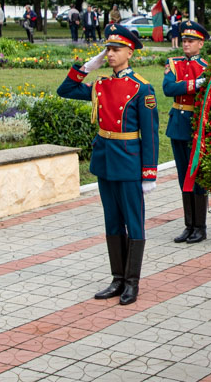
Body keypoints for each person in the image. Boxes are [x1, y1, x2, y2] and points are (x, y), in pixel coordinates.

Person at [57, 24, 158, 305]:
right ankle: (117, 278)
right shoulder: (101, 84)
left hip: (128, 161)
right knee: (112, 221)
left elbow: (149, 134)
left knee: (133, 223)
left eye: (115, 49)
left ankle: (131, 282)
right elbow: (64, 90)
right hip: (106, 160)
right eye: (107, 49)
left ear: (130, 52)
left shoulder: (141, 88)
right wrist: (87, 67)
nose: (110, 54)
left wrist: (149, 172)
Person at [163, 20, 210, 243]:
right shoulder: (173, 63)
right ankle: (188, 225)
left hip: (196, 125)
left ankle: (200, 226)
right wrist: (193, 84)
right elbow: (168, 88)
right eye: (184, 41)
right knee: (183, 177)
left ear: (200, 44)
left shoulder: (207, 67)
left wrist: (193, 83)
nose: (186, 44)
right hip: (178, 125)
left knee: (197, 176)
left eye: (191, 41)